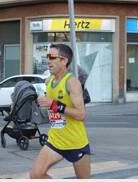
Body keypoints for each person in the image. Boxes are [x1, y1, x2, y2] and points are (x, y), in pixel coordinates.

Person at [30, 44, 91, 179]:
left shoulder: (72, 82)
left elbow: (81, 114)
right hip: (55, 139)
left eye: (52, 57)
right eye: (47, 56)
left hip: (75, 142)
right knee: (36, 175)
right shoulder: (50, 80)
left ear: (63, 61)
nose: (48, 60)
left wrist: (53, 104)